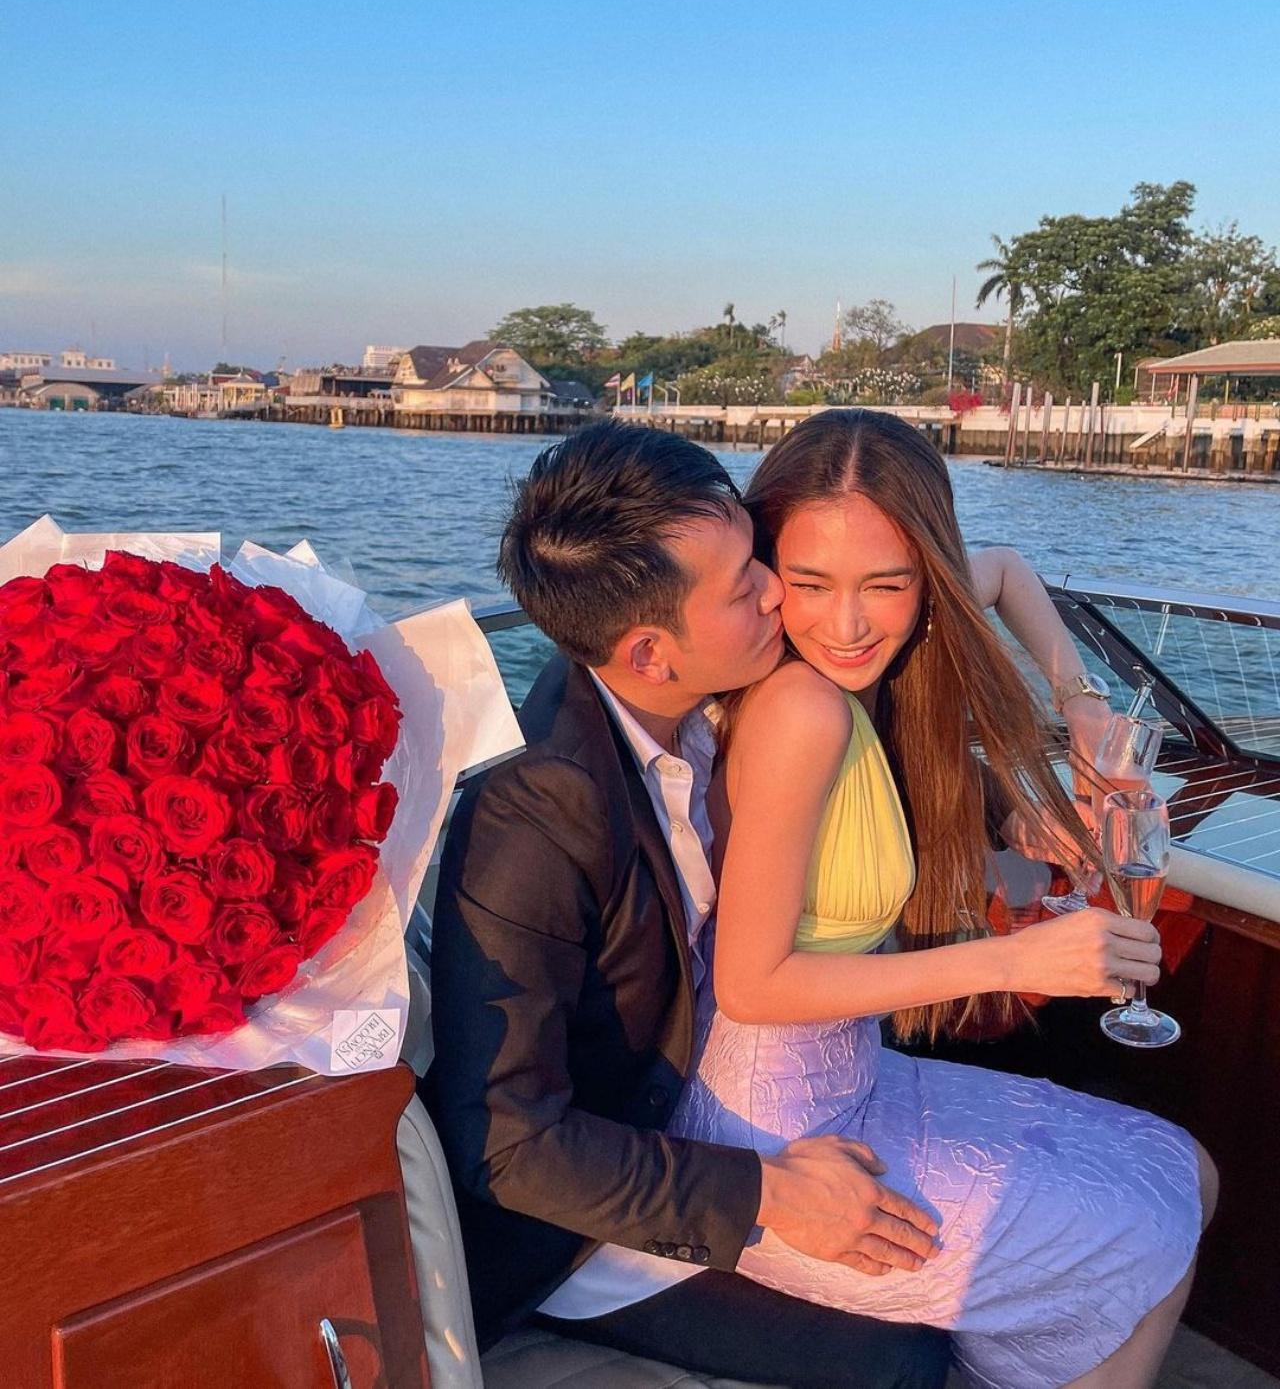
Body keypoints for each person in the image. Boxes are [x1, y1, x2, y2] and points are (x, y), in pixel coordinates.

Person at [425, 419, 1141, 1389]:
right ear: (650, 652)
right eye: (751, 584)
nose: (782, 595)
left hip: (762, 1086)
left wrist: (1065, 720)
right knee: (903, 1358)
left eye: (762, 559)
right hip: (596, 1218)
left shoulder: (710, 666)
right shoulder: (536, 812)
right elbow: (508, 1144)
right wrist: (766, 1193)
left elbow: (983, 573)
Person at [667, 409, 1217, 1389]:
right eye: (809, 583)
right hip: (780, 1136)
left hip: (852, 1077)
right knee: (1148, 1223)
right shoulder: (799, 708)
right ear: (763, 569)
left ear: (925, 577)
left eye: (886, 583)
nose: (846, 625)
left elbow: (1002, 569)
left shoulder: (838, 680)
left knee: (1183, 1168)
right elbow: (749, 982)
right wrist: (1016, 958)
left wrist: (1082, 705)